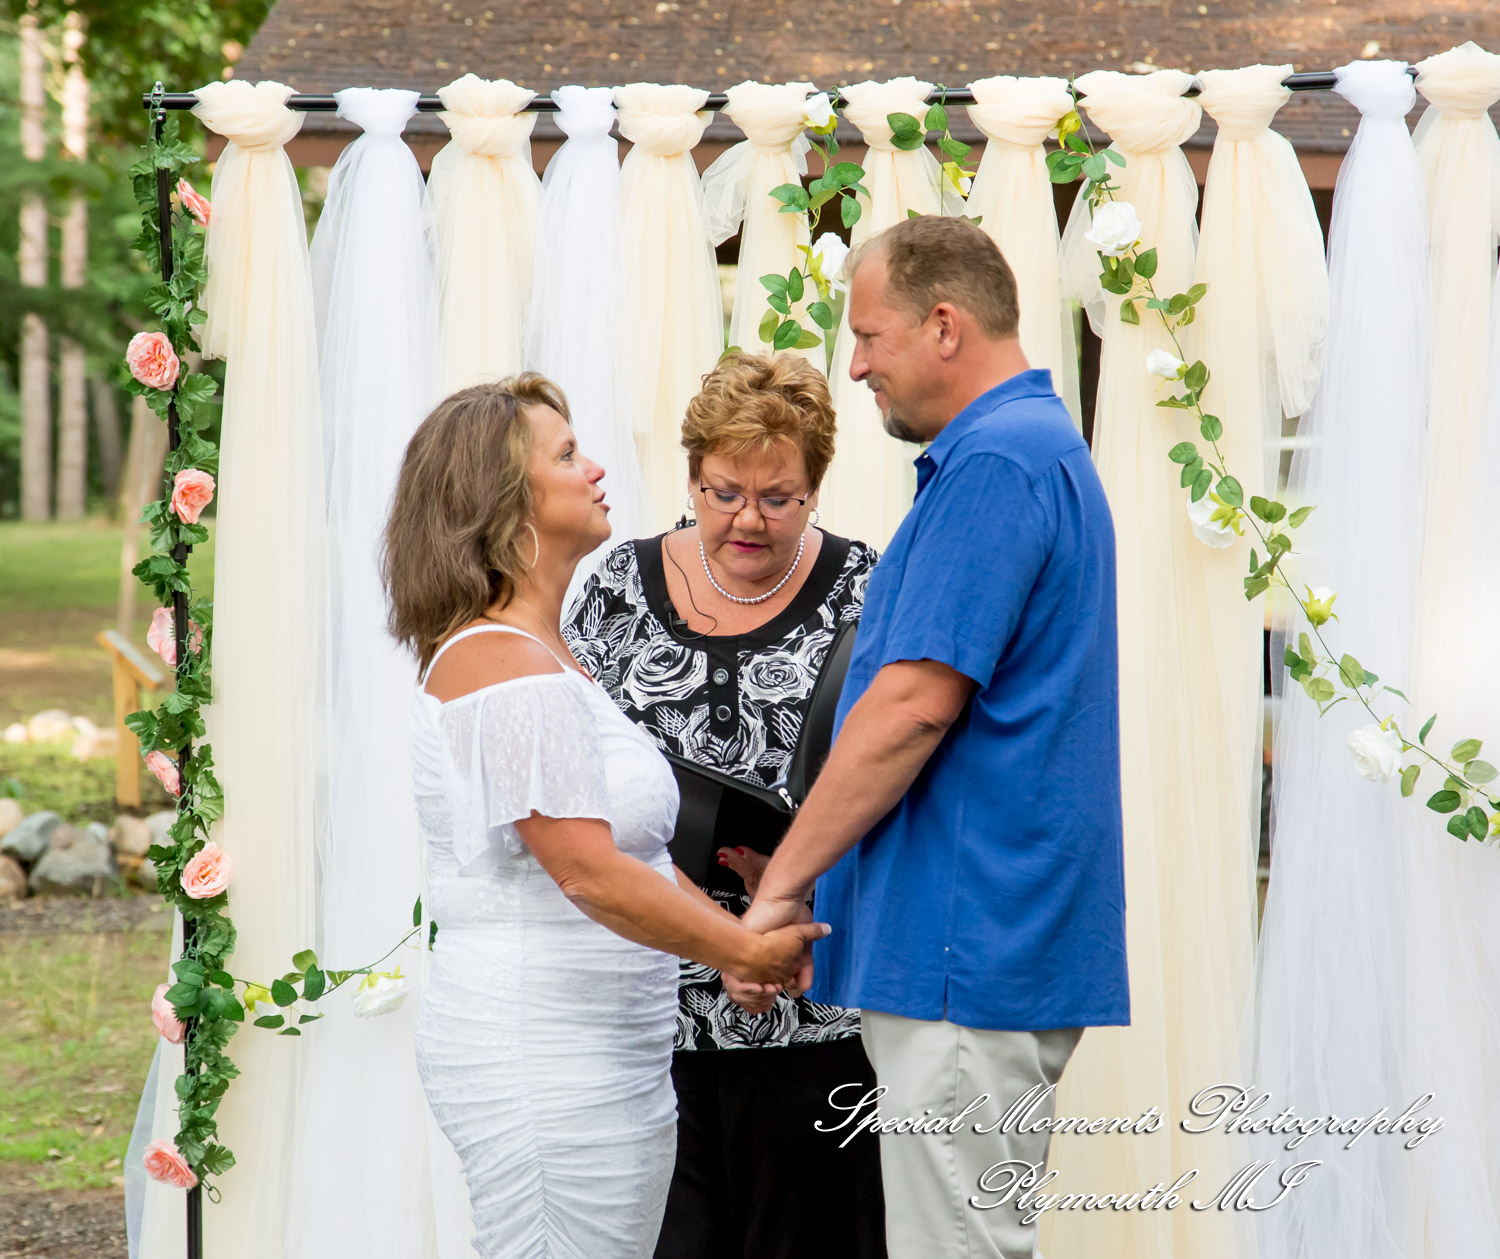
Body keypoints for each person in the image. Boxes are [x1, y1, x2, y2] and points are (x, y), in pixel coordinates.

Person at [737, 215, 1130, 1259]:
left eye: (870, 335)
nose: (855, 364)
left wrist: (778, 889)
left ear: (944, 324)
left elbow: (912, 706)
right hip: (982, 940)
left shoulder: (997, 462)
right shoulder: (1031, 449)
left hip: (967, 945)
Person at [382, 375, 829, 1259]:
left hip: (611, 1050)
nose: (594, 470)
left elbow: (635, 854)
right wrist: (742, 946)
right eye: (565, 454)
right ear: (506, 501)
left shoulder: (549, 652)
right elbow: (583, 868)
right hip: (543, 1054)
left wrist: (724, 947)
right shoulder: (499, 662)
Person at [565, 352, 887, 1259]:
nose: (747, 517)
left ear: (816, 487)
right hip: (644, 1014)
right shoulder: (612, 587)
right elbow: (574, 784)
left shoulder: (871, 589)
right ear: (692, 473)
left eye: (777, 496)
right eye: (723, 490)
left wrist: (807, 876)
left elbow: (907, 772)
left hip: (814, 1007)